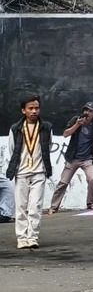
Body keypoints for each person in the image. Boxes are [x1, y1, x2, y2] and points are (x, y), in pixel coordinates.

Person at [4, 96, 54, 248]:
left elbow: (48, 147)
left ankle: (32, 237)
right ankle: (21, 238)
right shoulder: (16, 128)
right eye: (30, 108)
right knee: (21, 207)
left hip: (39, 171)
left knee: (35, 206)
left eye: (36, 108)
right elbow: (12, 149)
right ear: (23, 110)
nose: (34, 111)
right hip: (22, 172)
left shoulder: (46, 127)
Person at [48, 102, 93, 213]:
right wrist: (77, 124)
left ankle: (90, 203)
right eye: (85, 110)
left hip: (87, 158)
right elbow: (65, 134)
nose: (87, 113)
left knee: (92, 179)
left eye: (90, 111)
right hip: (73, 158)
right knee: (63, 182)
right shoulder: (76, 119)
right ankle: (54, 207)